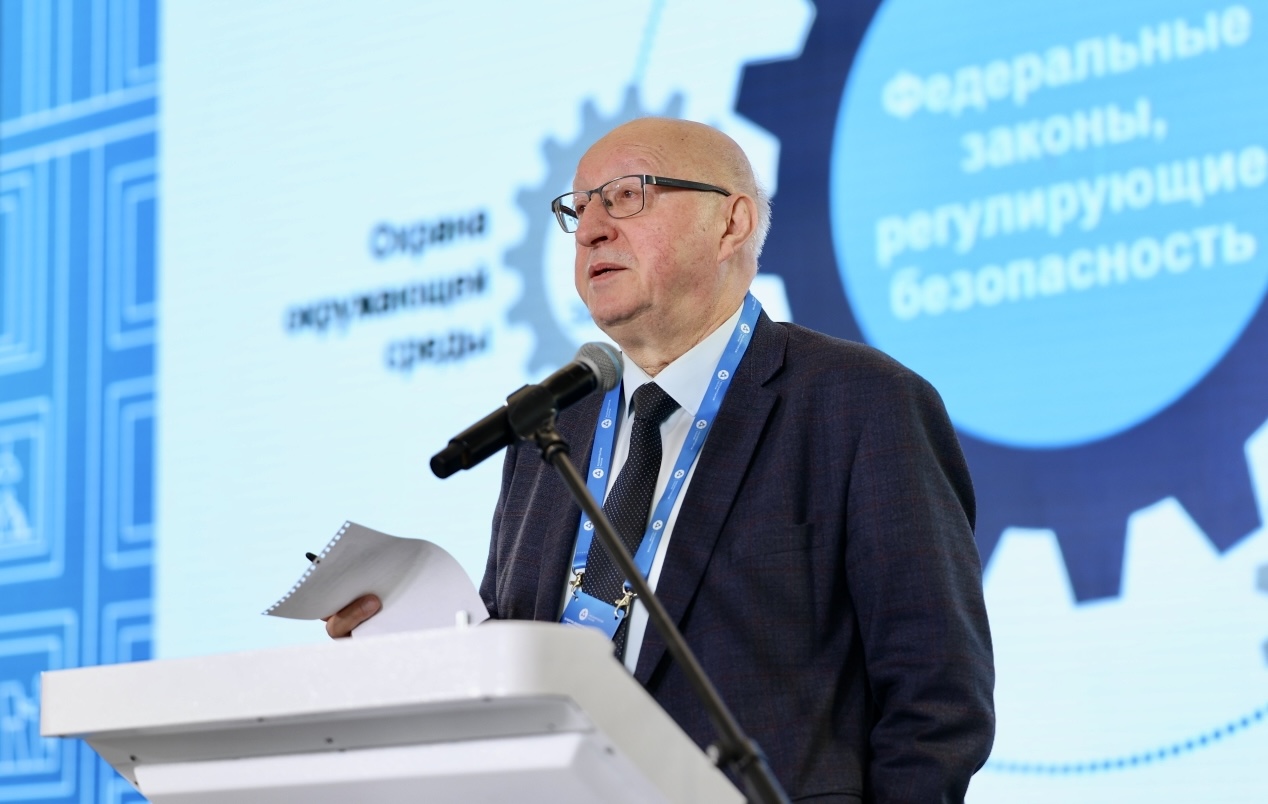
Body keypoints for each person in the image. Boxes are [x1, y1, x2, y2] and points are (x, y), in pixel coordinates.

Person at [327, 118, 995, 802]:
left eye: (626, 196)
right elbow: (518, 667)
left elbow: (936, 699)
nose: (590, 230)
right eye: (578, 209)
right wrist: (410, 650)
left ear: (731, 222)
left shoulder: (860, 403)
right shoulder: (547, 431)